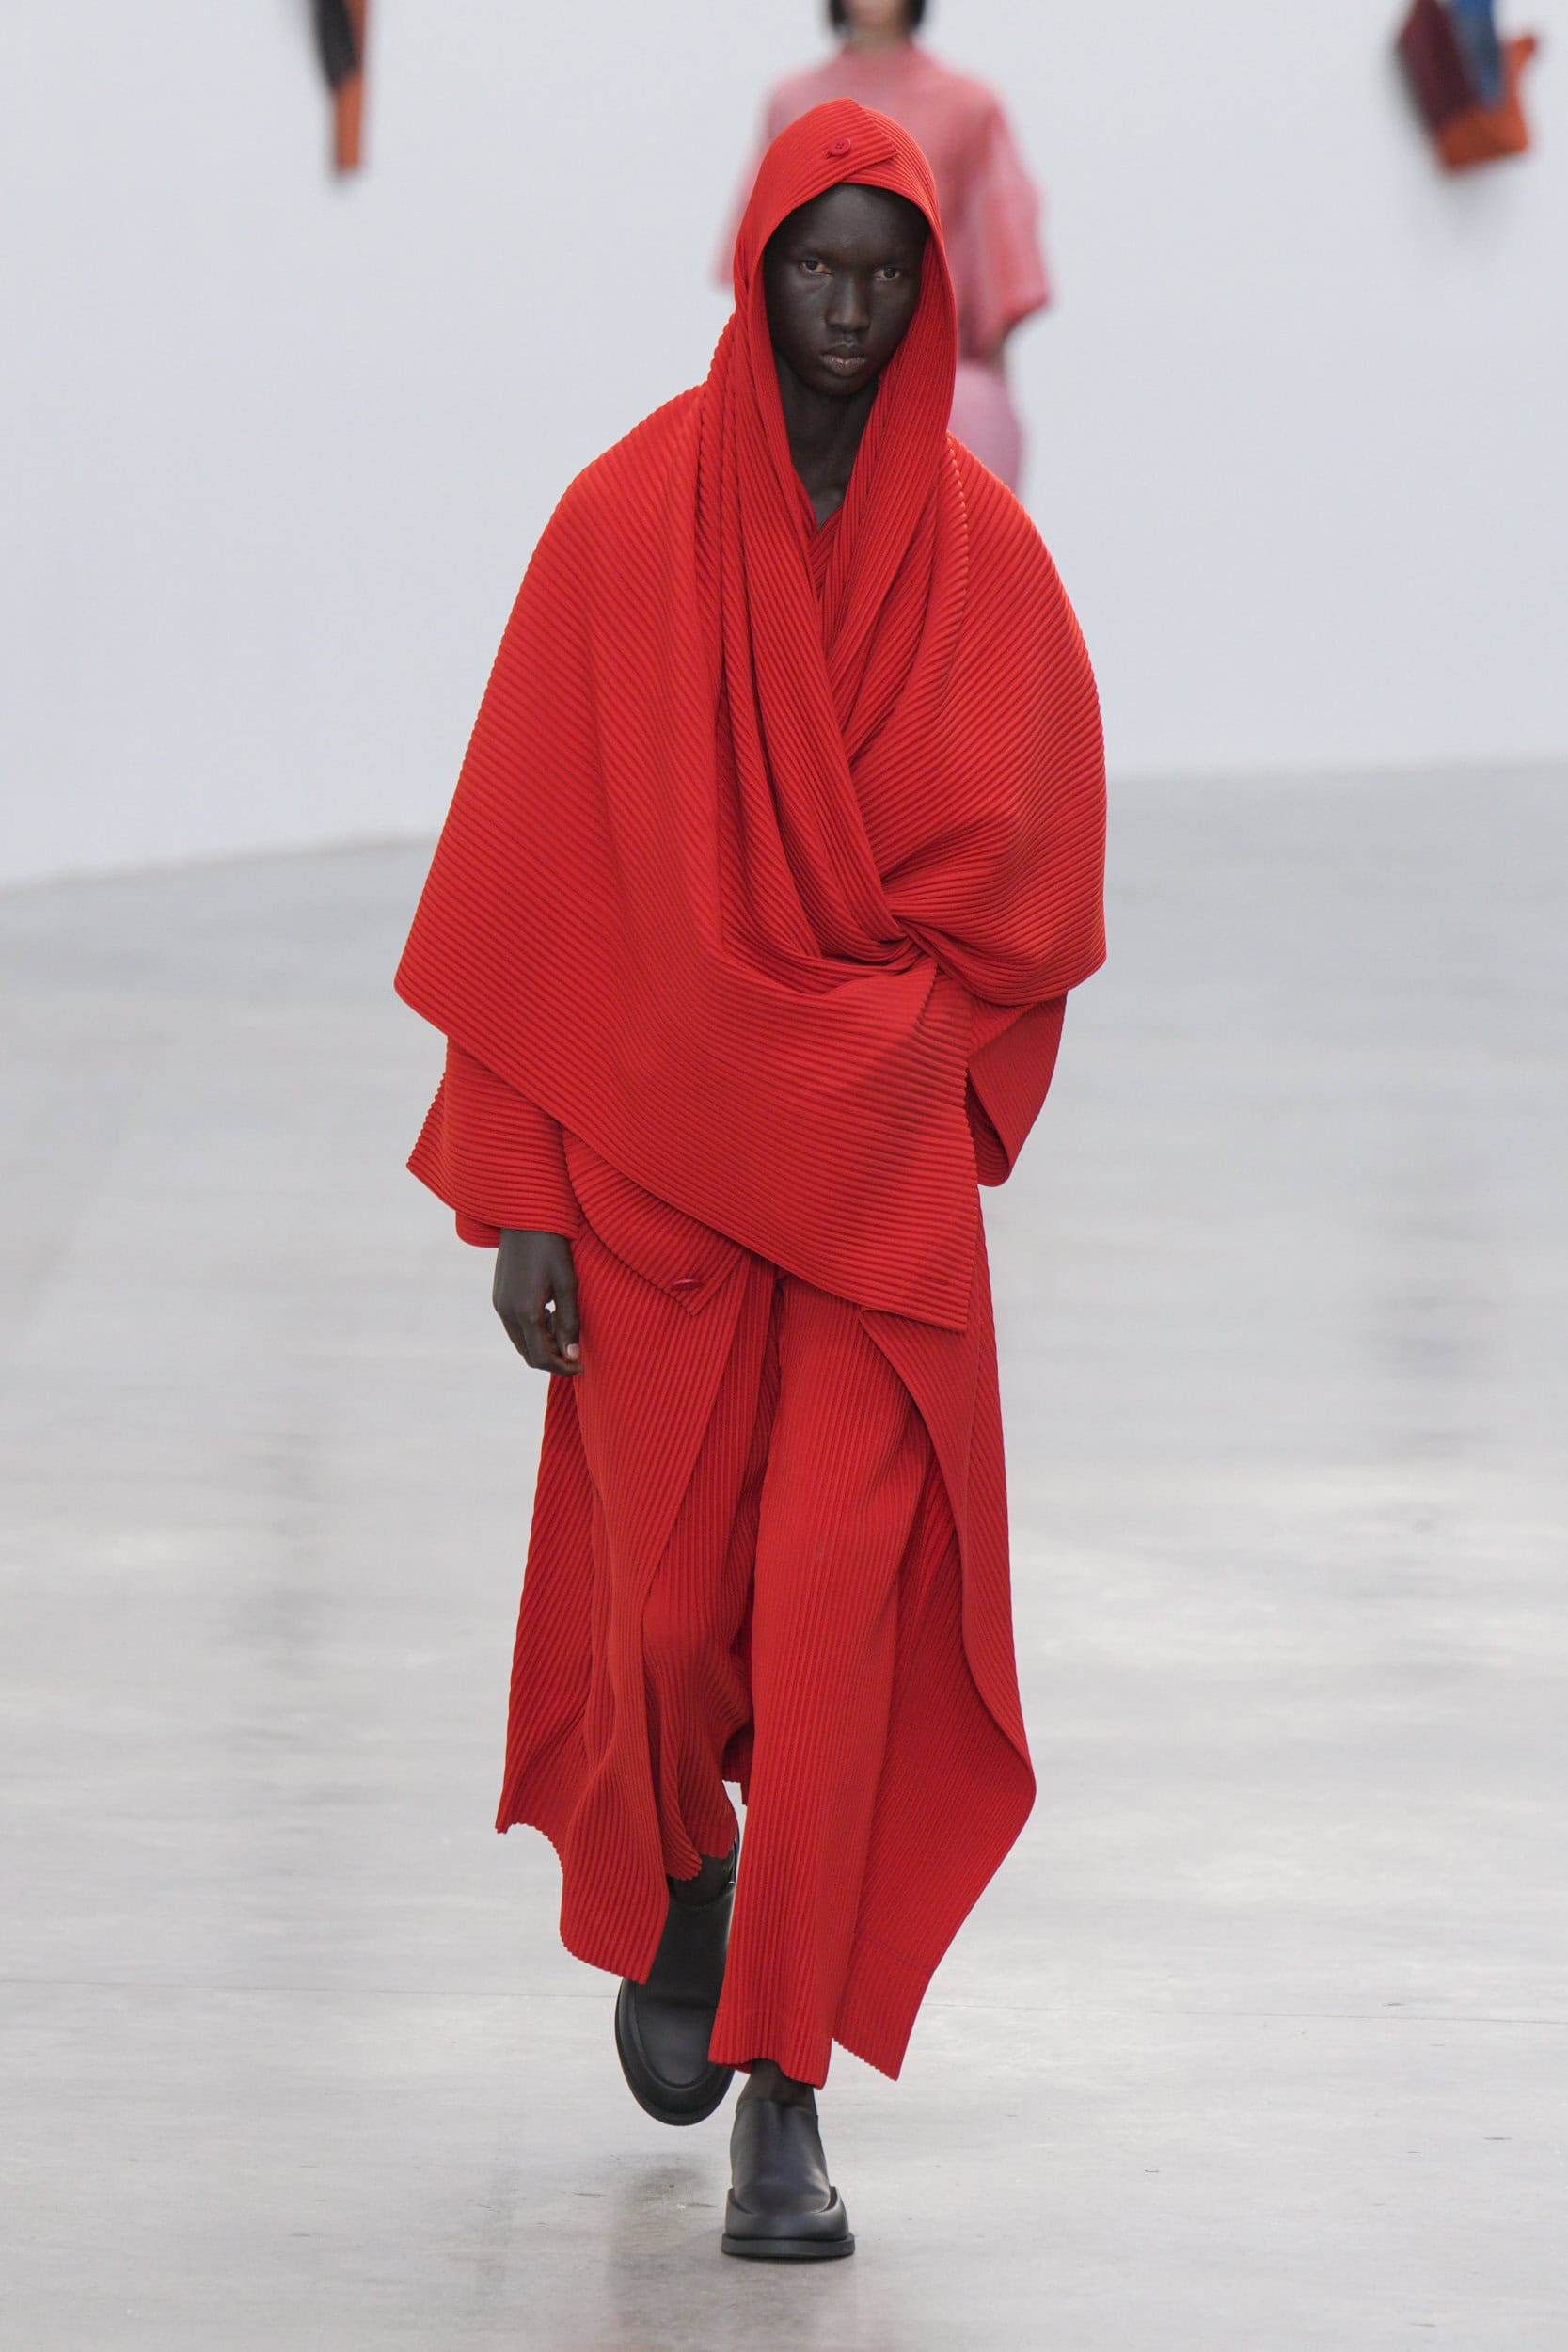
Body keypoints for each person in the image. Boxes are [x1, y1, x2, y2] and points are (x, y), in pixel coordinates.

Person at [397, 99, 1105, 2263]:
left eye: (885, 273)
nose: (846, 307)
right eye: (816, 265)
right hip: (654, 1193)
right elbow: (535, 876)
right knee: (665, 1615)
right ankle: (685, 1881)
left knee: (826, 1624)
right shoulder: (622, 527)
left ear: (928, 293)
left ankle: (784, 2092)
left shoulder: (980, 561)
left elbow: (1025, 895)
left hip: (863, 1207)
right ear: (755, 265)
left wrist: (888, 1078)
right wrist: (521, 1186)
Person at [720, 0, 1051, 487]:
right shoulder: (792, 102)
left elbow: (999, 253)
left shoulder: (969, 106)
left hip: (938, 379)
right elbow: (759, 251)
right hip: (808, 389)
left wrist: (993, 402)